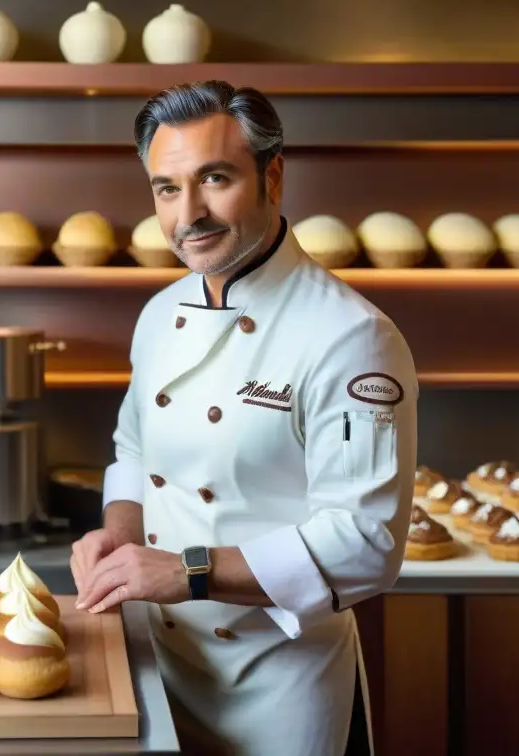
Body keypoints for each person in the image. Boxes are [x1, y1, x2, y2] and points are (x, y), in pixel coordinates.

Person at [70, 80, 417, 756]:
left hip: (279, 688)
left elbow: (369, 542)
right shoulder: (159, 314)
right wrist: (119, 537)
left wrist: (188, 572)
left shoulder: (350, 336)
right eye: (167, 189)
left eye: (215, 179)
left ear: (273, 176)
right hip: (158, 661)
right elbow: (134, 448)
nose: (188, 214)